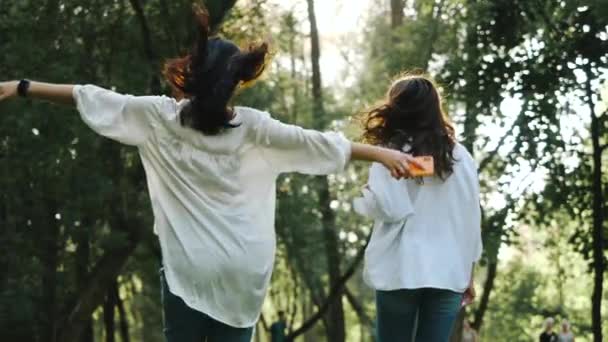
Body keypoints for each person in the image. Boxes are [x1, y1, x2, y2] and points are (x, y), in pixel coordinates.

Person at [0, 5, 421, 342]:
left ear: (190, 74)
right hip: (244, 269)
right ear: (234, 82)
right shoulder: (254, 128)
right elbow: (321, 144)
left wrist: (22, 86)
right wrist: (382, 156)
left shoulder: (159, 118)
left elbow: (89, 98)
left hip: (190, 267)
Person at [353, 73, 483, 342]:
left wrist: (366, 196)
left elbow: (390, 209)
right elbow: (472, 219)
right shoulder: (462, 157)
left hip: (401, 268)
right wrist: (469, 273)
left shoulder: (391, 153)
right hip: (448, 273)